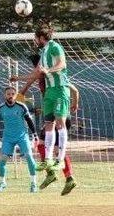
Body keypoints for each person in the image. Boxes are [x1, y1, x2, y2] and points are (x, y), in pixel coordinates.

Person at [16, 23, 76, 195]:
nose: (34, 41)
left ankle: (61, 165)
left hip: (59, 91)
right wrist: (18, 81)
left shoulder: (55, 46)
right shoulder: (42, 53)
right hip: (49, 94)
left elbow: (62, 65)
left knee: (58, 126)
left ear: (41, 38)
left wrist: (75, 103)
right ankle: (50, 163)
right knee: (48, 127)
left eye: (35, 38)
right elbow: (36, 74)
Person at [0, 86, 39, 193]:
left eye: (12, 94)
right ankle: (2, 182)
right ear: (5, 95)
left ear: (16, 95)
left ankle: (33, 183)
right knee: (2, 160)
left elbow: (30, 121)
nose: (10, 96)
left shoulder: (21, 107)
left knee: (29, 158)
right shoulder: (0, 108)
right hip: (8, 138)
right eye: (8, 94)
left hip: (22, 137)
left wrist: (35, 136)